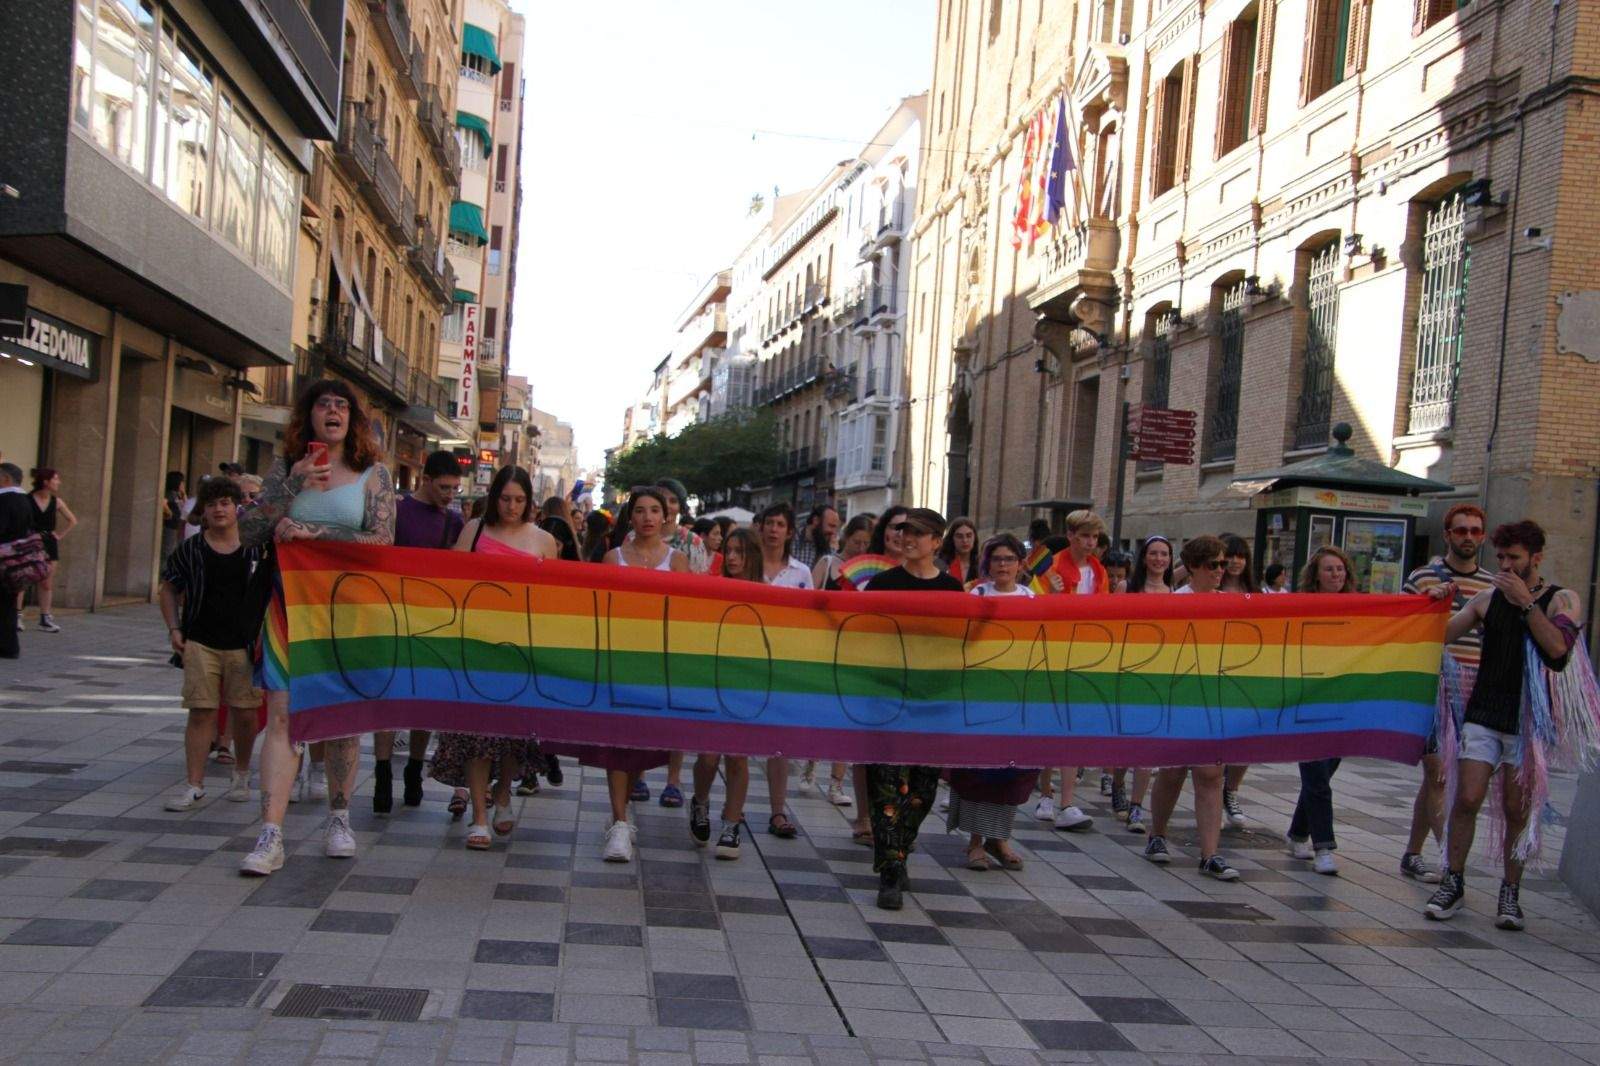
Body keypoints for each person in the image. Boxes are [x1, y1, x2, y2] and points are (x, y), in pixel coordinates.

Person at [236, 380, 396, 877]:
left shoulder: (375, 474)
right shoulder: (287, 470)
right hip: (288, 609)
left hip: (349, 613)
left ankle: (339, 817)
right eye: (323, 404)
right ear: (308, 417)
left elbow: (382, 540)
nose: (333, 411)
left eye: (342, 405)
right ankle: (271, 833)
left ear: (354, 418)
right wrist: (291, 486)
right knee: (282, 716)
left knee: (342, 718)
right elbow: (246, 533)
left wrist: (313, 532)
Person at [1425, 520, 1580, 930]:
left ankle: (1510, 893)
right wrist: (1438, 602)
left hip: (1527, 719)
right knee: (1468, 797)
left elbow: (1558, 650)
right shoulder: (1487, 599)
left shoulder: (1561, 599)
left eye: (1515, 558)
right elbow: (1438, 636)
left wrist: (1527, 604)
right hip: (1484, 712)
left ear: (1536, 558)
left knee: (1516, 807)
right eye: (1502, 558)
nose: (1507, 566)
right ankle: (1453, 880)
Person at [432, 466, 558, 849]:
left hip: (522, 649)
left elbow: (555, 598)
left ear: (529, 501)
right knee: (476, 732)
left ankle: (503, 795)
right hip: (475, 645)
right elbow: (453, 581)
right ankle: (480, 817)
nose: (512, 506)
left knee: (512, 734)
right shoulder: (473, 531)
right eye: (506, 498)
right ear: (494, 496)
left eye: (520, 500)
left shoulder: (544, 540)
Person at [862, 507, 964, 910]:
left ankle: (900, 850)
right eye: (904, 531)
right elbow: (865, 637)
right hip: (888, 700)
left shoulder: (952, 590)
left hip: (931, 703)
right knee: (886, 785)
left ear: (936, 542)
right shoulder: (883, 584)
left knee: (921, 789)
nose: (908, 538)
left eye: (918, 533)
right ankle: (889, 870)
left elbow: (959, 644)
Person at [586, 487, 685, 862]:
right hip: (617, 660)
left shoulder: (676, 562)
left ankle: (623, 815)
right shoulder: (613, 558)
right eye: (640, 510)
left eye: (654, 510)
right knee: (617, 741)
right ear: (631, 517)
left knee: (640, 745)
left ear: (665, 517)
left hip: (656, 666)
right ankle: (619, 821)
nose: (647, 517)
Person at [159, 478, 271, 811]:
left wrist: (266, 631)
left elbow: (270, 590)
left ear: (237, 507)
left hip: (245, 643)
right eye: (211, 504)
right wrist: (174, 628)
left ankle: (241, 772)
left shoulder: (255, 547)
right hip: (200, 640)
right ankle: (194, 784)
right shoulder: (191, 549)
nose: (219, 510)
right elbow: (167, 588)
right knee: (200, 711)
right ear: (203, 511)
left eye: (225, 503)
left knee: (246, 713)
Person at [1398, 503, 1494, 883]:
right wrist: (1427, 605)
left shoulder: (1491, 584)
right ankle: (1446, 859)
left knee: (1442, 778)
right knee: (1437, 772)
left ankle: (1412, 852)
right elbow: (1403, 628)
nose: (1468, 537)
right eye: (1461, 530)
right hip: (1433, 685)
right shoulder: (1423, 577)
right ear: (1448, 535)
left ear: (1482, 537)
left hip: (1476, 690)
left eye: (1474, 531)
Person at [370, 451, 465, 815]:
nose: (450, 494)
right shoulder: (395, 511)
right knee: (388, 697)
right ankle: (381, 771)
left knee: (424, 700)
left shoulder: (454, 522)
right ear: (425, 480)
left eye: (455, 488)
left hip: (432, 621)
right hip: (391, 615)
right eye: (444, 487)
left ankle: (413, 767)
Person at [1143, 534, 1240, 881]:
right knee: (1172, 771)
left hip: (1213, 698)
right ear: (1195, 567)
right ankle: (1157, 834)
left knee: (1211, 774)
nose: (1220, 571)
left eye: (1223, 564)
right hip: (1178, 698)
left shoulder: (1229, 603)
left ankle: (1210, 854)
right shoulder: (1174, 603)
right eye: (1213, 565)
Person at [950, 534, 1036, 870]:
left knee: (1011, 769)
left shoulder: (1031, 599)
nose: (1003, 565)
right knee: (977, 769)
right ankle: (974, 842)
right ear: (989, 563)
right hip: (980, 693)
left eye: (1009, 559)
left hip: (1016, 695)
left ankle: (999, 837)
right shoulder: (977, 595)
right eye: (997, 559)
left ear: (1020, 563)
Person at [690, 527, 764, 860]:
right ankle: (701, 802)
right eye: (729, 550)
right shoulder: (713, 588)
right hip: (711, 679)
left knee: (738, 755)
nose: (732, 557)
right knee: (707, 755)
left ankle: (732, 824)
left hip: (747, 683)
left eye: (740, 551)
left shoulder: (768, 594)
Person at [1285, 546, 1358, 875]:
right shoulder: (1301, 606)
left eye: (1340, 569)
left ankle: (1298, 831)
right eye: (1329, 570)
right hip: (1308, 703)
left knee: (1322, 774)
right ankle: (1324, 847)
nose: (1336, 575)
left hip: (1341, 704)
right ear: (1315, 575)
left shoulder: (1360, 610)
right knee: (1317, 777)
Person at [1036, 509, 1105, 832]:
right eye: (1085, 536)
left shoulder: (1098, 570)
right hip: (1054, 652)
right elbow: (1035, 600)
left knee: (1071, 726)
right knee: (1053, 724)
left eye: (1094, 537)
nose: (1090, 543)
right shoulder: (1050, 565)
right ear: (1071, 536)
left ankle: (1065, 800)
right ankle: (1047, 793)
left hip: (1084, 654)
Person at [1109, 534, 1175, 834]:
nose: (1159, 559)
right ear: (1144, 557)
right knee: (1127, 739)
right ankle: (1118, 782)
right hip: (1129, 669)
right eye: (1154, 553)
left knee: (1148, 742)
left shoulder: (1173, 592)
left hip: (1159, 672)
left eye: (1164, 554)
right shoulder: (1127, 587)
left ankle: (1137, 806)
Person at [1217, 535, 1259, 830]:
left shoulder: (1257, 593)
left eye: (1240, 556)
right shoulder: (1210, 588)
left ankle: (1230, 790)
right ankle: (1212, 789)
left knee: (1247, 737)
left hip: (1246, 671)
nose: (1234, 562)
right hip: (1214, 670)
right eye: (1228, 556)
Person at [17, 468, 77, 633]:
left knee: (46, 582)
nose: (59, 482)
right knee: (23, 579)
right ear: (46, 481)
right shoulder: (27, 499)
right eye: (56, 479)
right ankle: (17, 616)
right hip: (30, 542)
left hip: (49, 543)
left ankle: (45, 618)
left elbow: (72, 520)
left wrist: (59, 535)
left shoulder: (56, 501)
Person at [0, 463, 35, 658]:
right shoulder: (24, 500)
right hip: (18, 561)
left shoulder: (5, 501)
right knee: (8, 604)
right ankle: (9, 645)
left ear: (6, 479)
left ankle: (7, 646)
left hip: (3, 560)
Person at [792, 503, 839, 569]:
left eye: (835, 528)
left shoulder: (827, 546)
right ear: (816, 520)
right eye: (831, 526)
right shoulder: (792, 539)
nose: (833, 532)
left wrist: (832, 551)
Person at [936, 517, 979, 585]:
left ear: (975, 537)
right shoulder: (939, 564)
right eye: (959, 536)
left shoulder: (981, 565)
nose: (965, 540)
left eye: (969, 536)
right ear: (952, 539)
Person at [162, 471, 187, 565]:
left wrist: (184, 494)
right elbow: (163, 504)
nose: (183, 484)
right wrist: (169, 513)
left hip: (175, 528)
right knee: (168, 552)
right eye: (182, 482)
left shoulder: (177, 495)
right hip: (170, 528)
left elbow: (186, 508)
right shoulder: (170, 494)